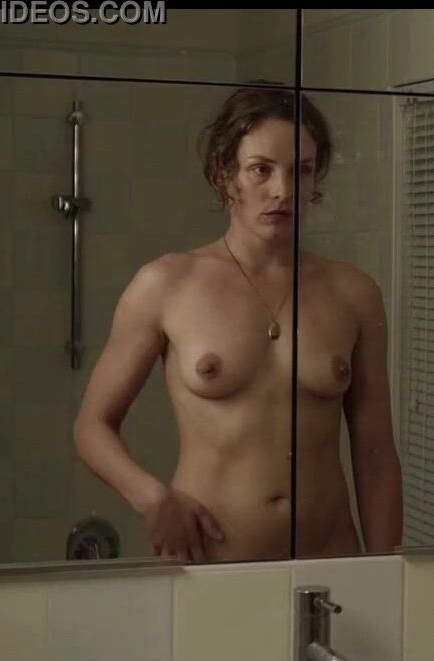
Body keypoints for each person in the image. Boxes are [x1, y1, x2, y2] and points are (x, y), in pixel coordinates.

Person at [73, 85, 403, 564]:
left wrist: (385, 573)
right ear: (224, 174)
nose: (283, 190)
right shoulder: (167, 284)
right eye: (261, 169)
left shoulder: (353, 292)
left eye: (301, 170)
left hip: (329, 561)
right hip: (212, 563)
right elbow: (92, 426)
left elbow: (375, 456)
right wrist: (151, 498)